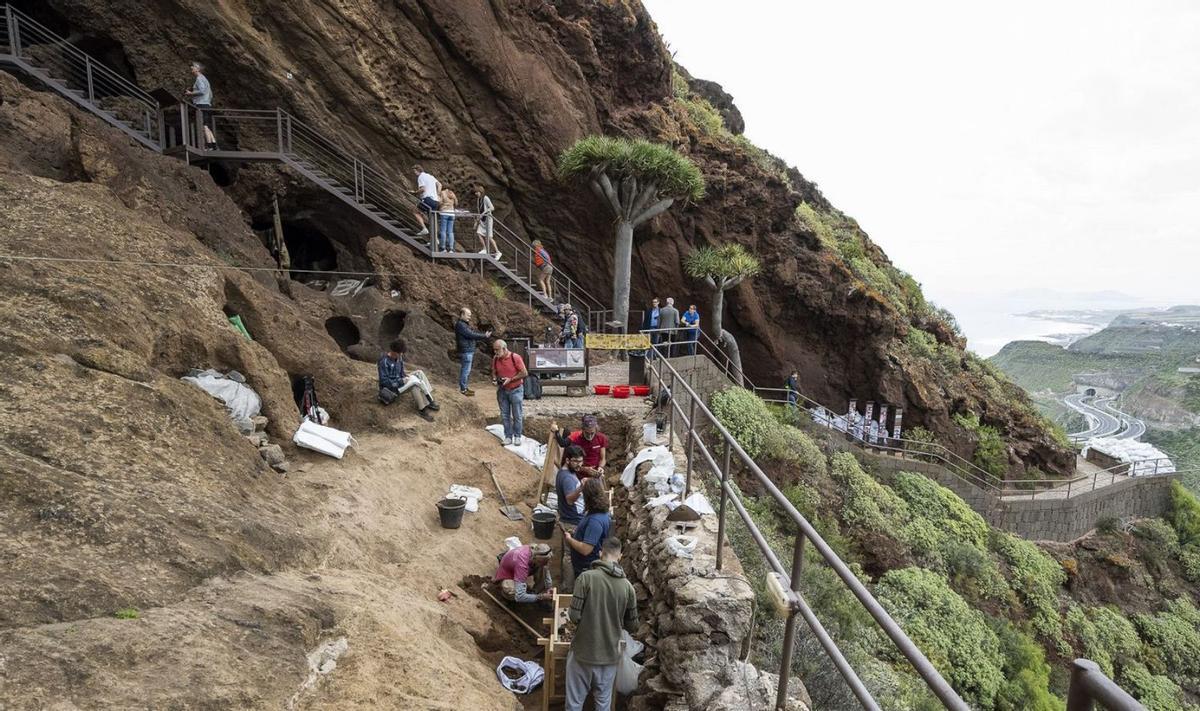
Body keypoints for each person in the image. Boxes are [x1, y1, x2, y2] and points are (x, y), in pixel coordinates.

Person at [565, 537, 638, 711]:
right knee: (603, 704)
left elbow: (574, 616)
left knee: (574, 704)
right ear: (620, 556)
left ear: (600, 553)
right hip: (610, 656)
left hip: (582, 652)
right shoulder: (628, 588)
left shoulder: (585, 578)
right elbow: (633, 626)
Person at [377, 339, 438, 422]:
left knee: (419, 373)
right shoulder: (384, 362)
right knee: (414, 385)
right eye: (400, 353)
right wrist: (401, 381)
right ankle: (422, 410)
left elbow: (401, 372)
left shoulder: (399, 358)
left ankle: (429, 398)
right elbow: (384, 382)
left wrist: (406, 376)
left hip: (401, 381)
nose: (401, 354)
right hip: (391, 390)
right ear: (394, 352)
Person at [563, 479, 610, 581]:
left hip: (586, 567)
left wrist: (569, 539)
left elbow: (585, 549)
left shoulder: (595, 521)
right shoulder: (598, 512)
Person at [555, 444, 587, 589]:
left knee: (568, 553)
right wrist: (581, 487)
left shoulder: (565, 472)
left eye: (581, 461)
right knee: (569, 556)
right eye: (576, 461)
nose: (579, 464)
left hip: (569, 518)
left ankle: (566, 584)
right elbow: (569, 499)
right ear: (567, 460)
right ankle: (568, 588)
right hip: (571, 521)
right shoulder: (567, 478)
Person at [492, 339, 527, 445]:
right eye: (494, 350)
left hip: (516, 389)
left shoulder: (515, 357)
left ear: (504, 348)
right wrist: (494, 379)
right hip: (503, 390)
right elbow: (494, 371)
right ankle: (508, 436)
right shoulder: (495, 359)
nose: (496, 352)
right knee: (505, 415)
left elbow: (524, 373)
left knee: (517, 414)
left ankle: (517, 436)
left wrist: (510, 379)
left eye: (497, 350)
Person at [551, 415, 608, 479]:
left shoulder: (602, 438)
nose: (590, 436)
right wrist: (556, 431)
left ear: (596, 430)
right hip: (578, 475)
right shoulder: (576, 437)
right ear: (582, 429)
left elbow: (603, 458)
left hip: (595, 474)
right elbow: (571, 461)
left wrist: (601, 467)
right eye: (587, 433)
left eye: (592, 433)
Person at [454, 307, 491, 396]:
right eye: (468, 315)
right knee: (465, 371)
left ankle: (465, 388)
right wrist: (484, 336)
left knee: (466, 370)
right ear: (462, 314)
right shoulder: (461, 325)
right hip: (466, 350)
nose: (469, 317)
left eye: (470, 315)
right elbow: (470, 334)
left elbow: (471, 334)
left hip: (468, 350)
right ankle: (463, 389)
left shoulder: (463, 324)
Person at [183, 61, 216, 150]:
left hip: (201, 104)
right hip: (207, 104)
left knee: (204, 126)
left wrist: (190, 93)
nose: (191, 68)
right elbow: (210, 94)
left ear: (198, 69)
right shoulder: (205, 79)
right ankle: (214, 145)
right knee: (207, 125)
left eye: (193, 67)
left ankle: (209, 146)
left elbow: (201, 91)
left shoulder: (199, 79)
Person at [410, 165, 441, 238]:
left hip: (427, 200)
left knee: (414, 211)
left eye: (414, 171)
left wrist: (415, 192)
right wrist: (438, 194)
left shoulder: (420, 177)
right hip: (436, 201)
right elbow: (440, 185)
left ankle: (424, 229)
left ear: (418, 170)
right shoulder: (431, 176)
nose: (414, 173)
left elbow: (423, 189)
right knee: (432, 220)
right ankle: (435, 239)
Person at [473, 184, 501, 260]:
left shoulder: (485, 198)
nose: (476, 194)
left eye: (477, 192)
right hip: (482, 220)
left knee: (489, 237)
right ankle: (484, 249)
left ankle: (498, 252)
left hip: (488, 219)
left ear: (480, 192)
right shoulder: (478, 200)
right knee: (479, 233)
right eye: (475, 192)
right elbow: (479, 212)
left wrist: (485, 212)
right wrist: (476, 222)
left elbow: (492, 207)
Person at [437, 185, 457, 252]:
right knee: (450, 232)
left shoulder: (443, 193)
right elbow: (456, 203)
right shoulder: (452, 194)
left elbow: (439, 202)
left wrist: (441, 204)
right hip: (452, 213)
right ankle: (451, 249)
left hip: (444, 213)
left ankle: (443, 248)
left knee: (443, 231)